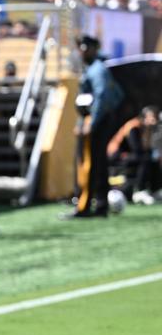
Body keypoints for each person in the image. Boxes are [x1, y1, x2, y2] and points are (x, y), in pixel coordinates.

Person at [63, 36, 125, 219]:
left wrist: (90, 123)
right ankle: (101, 205)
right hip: (95, 122)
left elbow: (100, 97)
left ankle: (85, 206)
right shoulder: (94, 68)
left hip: (97, 124)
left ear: (92, 49)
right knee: (99, 164)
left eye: (84, 47)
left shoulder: (97, 69)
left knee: (89, 165)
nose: (81, 52)